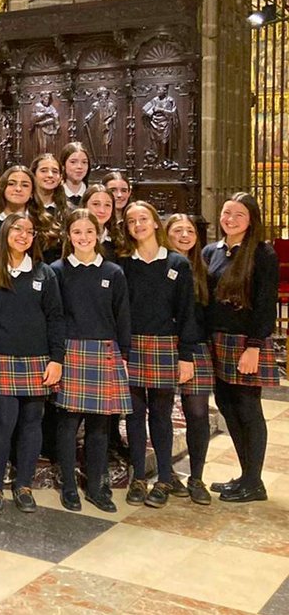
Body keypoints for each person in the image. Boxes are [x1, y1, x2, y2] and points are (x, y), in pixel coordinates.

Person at [0, 214, 64, 516]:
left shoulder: (44, 274)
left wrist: (56, 359)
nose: (23, 235)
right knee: (2, 423)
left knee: (31, 423)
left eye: (29, 231)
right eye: (17, 230)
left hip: (37, 360)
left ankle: (23, 485)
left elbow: (55, 319)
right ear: (4, 233)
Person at [52, 209, 130, 514]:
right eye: (77, 232)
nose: (83, 238)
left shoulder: (113, 272)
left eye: (88, 232)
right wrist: (56, 355)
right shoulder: (57, 270)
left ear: (97, 235)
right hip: (71, 351)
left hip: (105, 350)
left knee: (100, 426)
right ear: (68, 236)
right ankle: (69, 486)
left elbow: (122, 316)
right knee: (68, 424)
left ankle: (96, 486)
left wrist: (123, 354)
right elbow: (54, 317)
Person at [119, 201, 196, 509]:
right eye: (131, 221)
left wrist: (186, 355)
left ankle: (164, 477)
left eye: (143, 218)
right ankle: (139, 476)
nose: (138, 224)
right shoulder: (125, 264)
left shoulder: (178, 264)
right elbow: (120, 312)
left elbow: (186, 312)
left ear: (155, 223)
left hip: (166, 344)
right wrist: (122, 351)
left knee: (161, 415)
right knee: (135, 416)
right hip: (133, 346)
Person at [204, 193, 278, 503]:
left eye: (239, 214)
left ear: (251, 220)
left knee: (248, 409)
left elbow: (264, 303)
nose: (230, 219)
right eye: (226, 213)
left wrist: (255, 346)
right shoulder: (213, 251)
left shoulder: (262, 253)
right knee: (226, 404)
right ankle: (246, 475)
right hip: (218, 340)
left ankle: (253, 481)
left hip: (246, 342)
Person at [166, 213, 215, 504]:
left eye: (190, 230)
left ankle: (197, 477)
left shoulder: (204, 269)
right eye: (178, 230)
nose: (185, 235)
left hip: (195, 347)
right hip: (164, 346)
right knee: (159, 413)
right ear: (166, 233)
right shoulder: (160, 265)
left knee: (197, 413)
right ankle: (166, 473)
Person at [84, 185, 120, 261]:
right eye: (96, 204)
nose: (102, 210)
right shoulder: (73, 238)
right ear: (85, 205)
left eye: (107, 205)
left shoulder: (118, 242)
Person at [30, 153, 69, 220]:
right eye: (44, 171)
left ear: (60, 177)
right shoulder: (24, 209)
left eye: (55, 171)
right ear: (33, 175)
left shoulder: (69, 211)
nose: (50, 175)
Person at [60, 142, 91, 207]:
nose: (79, 166)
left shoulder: (93, 195)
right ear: (63, 165)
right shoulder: (54, 195)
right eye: (73, 162)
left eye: (84, 162)